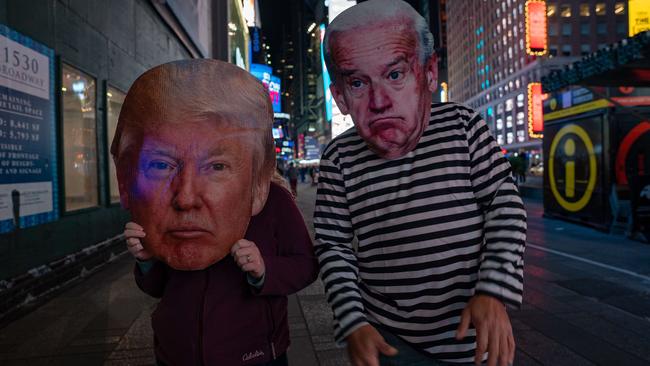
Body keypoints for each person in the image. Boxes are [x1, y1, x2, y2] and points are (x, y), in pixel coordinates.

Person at [314, 1, 526, 365]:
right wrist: (353, 321)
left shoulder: (465, 128)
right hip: (388, 338)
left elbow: (505, 208)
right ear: (340, 97)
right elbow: (333, 246)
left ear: (429, 73)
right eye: (358, 82)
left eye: (395, 75)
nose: (379, 101)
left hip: (471, 341)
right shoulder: (339, 159)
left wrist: (493, 291)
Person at [111, 59, 319, 365]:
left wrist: (264, 271)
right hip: (177, 354)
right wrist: (147, 261)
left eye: (216, 167)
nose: (186, 198)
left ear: (260, 179)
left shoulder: (276, 204)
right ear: (125, 181)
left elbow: (305, 265)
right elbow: (157, 289)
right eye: (160, 165)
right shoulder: (167, 223)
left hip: (256, 356)